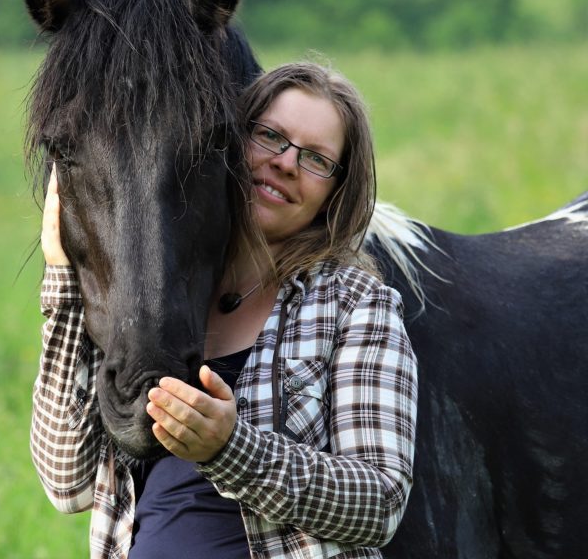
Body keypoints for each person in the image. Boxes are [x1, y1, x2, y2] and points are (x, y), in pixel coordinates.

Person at [31, 62, 418, 558]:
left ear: (334, 193)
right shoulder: (154, 293)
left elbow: (381, 503)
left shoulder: (357, 305)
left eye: (316, 159)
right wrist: (63, 280)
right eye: (270, 136)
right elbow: (68, 484)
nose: (286, 162)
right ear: (229, 143)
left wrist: (230, 449)